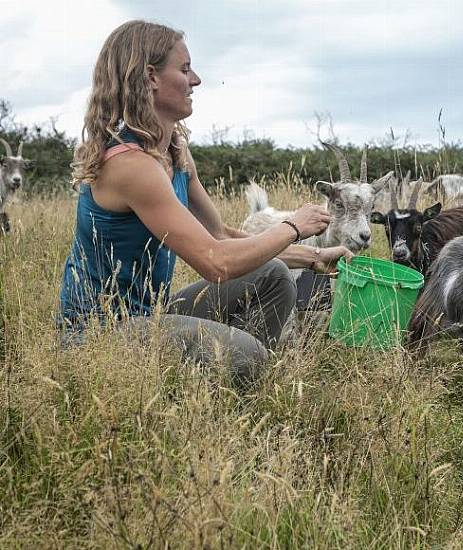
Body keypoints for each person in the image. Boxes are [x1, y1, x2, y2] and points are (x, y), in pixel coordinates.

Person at [59, 20, 350, 387]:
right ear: (150, 77)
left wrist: (312, 258)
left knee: (274, 277)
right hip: (98, 335)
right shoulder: (130, 165)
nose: (195, 80)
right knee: (246, 353)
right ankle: (227, 376)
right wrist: (293, 227)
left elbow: (221, 236)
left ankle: (218, 390)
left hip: (150, 315)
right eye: (184, 69)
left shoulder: (175, 151)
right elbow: (215, 263)